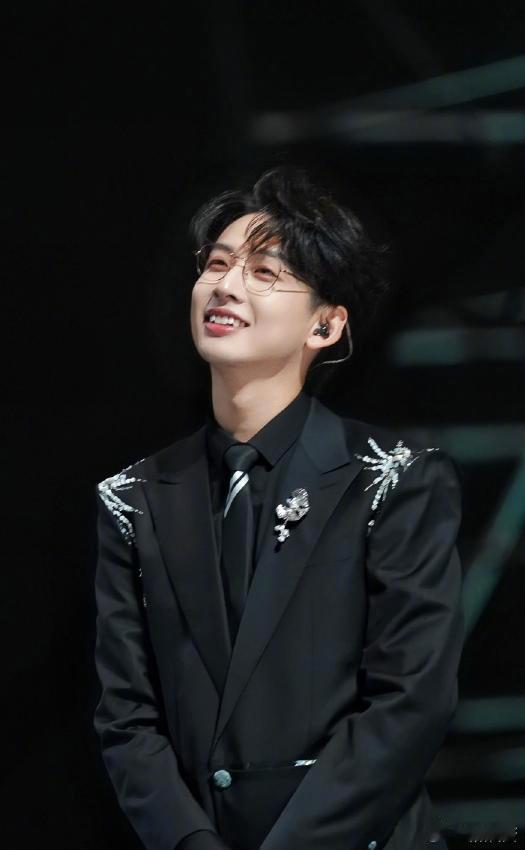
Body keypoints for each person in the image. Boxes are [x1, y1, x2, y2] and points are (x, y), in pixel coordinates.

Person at [93, 165, 464, 850]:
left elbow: (410, 701)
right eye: (216, 264)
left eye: (264, 273)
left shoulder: (393, 479)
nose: (226, 285)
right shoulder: (133, 498)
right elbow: (127, 717)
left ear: (325, 324)